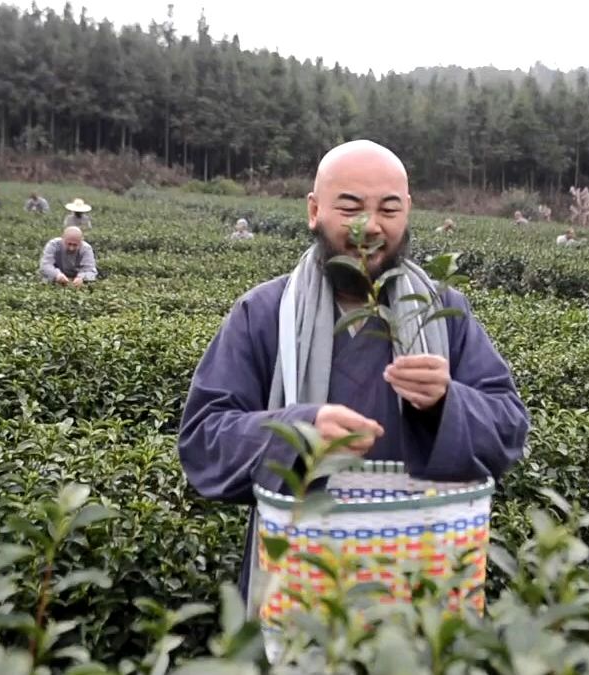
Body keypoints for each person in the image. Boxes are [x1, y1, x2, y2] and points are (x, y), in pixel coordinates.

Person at [176, 139, 530, 606]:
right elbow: (203, 442)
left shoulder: (443, 312)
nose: (371, 226)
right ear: (314, 210)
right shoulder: (263, 314)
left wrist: (447, 404)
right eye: (350, 207)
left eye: (389, 208)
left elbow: (509, 428)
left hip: (420, 580)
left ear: (408, 212)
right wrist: (299, 432)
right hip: (298, 583)